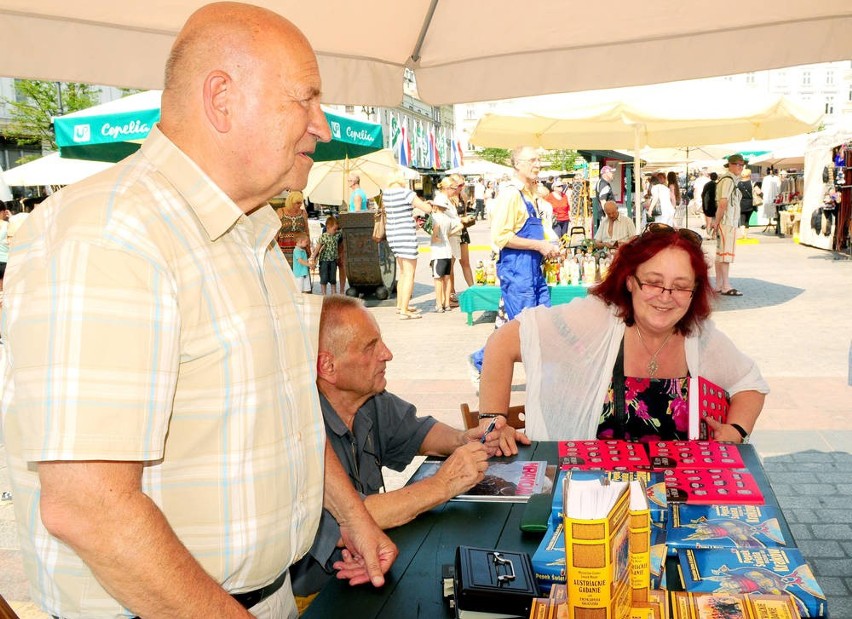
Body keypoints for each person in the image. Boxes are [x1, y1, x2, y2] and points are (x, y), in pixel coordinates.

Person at [0, 5, 397, 618]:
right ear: (222, 98)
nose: (320, 125)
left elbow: (285, 419)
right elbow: (88, 507)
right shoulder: (111, 234)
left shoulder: (251, 238)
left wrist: (352, 514)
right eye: (306, 99)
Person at [289, 295, 526, 598]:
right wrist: (442, 485)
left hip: (372, 571)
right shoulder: (296, 431)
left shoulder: (368, 401)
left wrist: (464, 438)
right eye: (370, 347)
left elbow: (418, 432)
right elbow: (350, 517)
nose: (387, 354)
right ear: (328, 366)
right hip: (313, 598)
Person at [478, 223, 768, 451]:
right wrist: (492, 421)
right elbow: (502, 342)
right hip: (591, 497)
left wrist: (737, 430)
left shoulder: (698, 336)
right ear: (630, 281)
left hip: (677, 500)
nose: (665, 298)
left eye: (680, 287)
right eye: (653, 283)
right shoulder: (597, 318)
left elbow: (750, 383)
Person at [467, 146, 558, 377]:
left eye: (539, 159)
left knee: (541, 324)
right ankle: (482, 362)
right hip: (517, 269)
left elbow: (539, 231)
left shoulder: (531, 194)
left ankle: (483, 361)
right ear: (517, 165)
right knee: (525, 330)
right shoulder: (511, 194)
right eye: (532, 160)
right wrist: (539, 245)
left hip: (533, 269)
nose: (537, 164)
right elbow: (501, 236)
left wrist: (551, 245)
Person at [382, 172, 432, 319]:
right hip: (406, 235)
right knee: (409, 273)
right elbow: (426, 209)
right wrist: (428, 204)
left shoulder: (386, 195)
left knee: (403, 272)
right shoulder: (406, 193)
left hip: (393, 234)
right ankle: (404, 310)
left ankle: (400, 305)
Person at [714, 154, 746, 296]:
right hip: (727, 221)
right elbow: (723, 203)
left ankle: (720, 284)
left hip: (725, 221)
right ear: (730, 165)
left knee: (721, 253)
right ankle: (725, 285)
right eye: (737, 164)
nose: (740, 167)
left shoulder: (729, 180)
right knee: (725, 254)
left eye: (742, 165)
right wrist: (716, 221)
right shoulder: (728, 180)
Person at [429, 196, 461, 312]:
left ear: (436, 206)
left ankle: (439, 305)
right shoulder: (447, 219)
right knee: (447, 279)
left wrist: (434, 237)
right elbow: (460, 225)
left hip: (438, 252)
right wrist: (448, 234)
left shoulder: (434, 218)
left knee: (438, 279)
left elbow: (436, 229)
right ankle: (447, 304)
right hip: (448, 251)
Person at [310, 215, 343, 296]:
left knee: (333, 278)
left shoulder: (337, 235)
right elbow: (318, 247)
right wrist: (313, 257)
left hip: (333, 260)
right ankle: (324, 294)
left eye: (336, 229)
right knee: (324, 278)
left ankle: (333, 294)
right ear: (328, 227)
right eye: (334, 229)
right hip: (324, 260)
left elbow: (343, 230)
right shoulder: (323, 236)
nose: (335, 231)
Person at [276, 190, 309, 267]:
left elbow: (307, 231)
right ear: (291, 202)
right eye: (297, 203)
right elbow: (276, 231)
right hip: (284, 249)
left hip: (300, 248)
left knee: (300, 272)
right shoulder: (280, 211)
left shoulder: (303, 213)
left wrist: (308, 248)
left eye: (301, 202)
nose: (300, 205)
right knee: (287, 272)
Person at [595, 165, 616, 232]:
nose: (613, 174)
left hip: (602, 214)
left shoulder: (600, 182)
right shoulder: (604, 184)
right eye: (611, 172)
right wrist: (609, 215)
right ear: (606, 174)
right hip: (604, 215)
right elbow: (603, 201)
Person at [737, 168, 756, 238]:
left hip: (741, 203)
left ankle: (742, 234)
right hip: (750, 203)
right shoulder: (752, 183)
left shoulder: (738, 184)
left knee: (742, 219)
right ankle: (746, 235)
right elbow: (758, 192)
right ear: (749, 175)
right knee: (747, 220)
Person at [701, 172, 719, 238]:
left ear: (710, 177)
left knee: (708, 222)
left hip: (707, 205)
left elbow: (703, 195)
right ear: (717, 177)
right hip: (716, 205)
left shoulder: (706, 185)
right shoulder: (718, 185)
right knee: (715, 220)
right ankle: (714, 235)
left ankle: (708, 234)